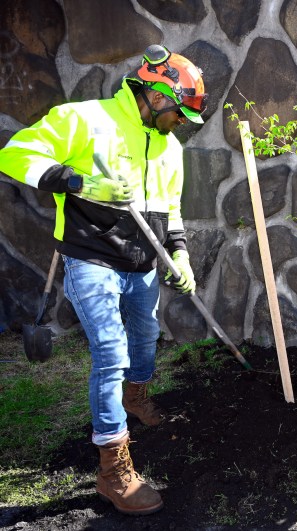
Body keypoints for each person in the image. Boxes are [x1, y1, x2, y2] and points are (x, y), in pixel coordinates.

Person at [0, 44, 207, 515]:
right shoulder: (84, 119)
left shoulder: (171, 147)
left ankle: (136, 397)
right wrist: (77, 182)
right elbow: (12, 154)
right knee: (110, 353)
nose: (181, 124)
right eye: (179, 113)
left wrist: (181, 255)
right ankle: (113, 469)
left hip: (143, 265)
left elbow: (170, 209)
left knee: (147, 339)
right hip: (91, 258)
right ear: (155, 96)